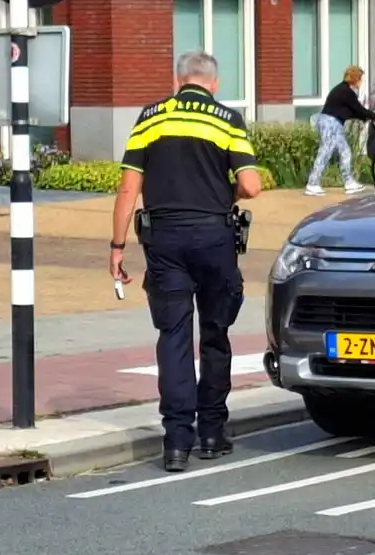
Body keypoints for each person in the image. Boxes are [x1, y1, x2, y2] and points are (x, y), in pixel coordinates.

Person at [109, 51, 262, 472]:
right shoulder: (227, 119)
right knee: (215, 333)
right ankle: (212, 433)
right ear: (213, 84)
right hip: (214, 237)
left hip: (165, 240)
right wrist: (225, 196)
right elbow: (252, 184)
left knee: (173, 337)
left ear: (178, 81)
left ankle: (177, 442)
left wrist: (117, 246)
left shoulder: (150, 117)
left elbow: (127, 191)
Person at [305, 65, 375, 197]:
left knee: (345, 152)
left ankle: (349, 183)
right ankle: (312, 184)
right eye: (360, 79)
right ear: (355, 79)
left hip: (334, 123)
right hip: (330, 123)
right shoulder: (346, 92)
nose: (361, 82)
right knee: (325, 152)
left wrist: (368, 119)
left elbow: (350, 111)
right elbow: (359, 109)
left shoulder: (344, 91)